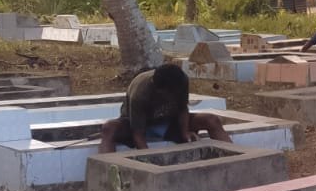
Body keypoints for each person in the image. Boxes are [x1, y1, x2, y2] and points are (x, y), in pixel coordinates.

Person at [98, 63, 232, 153]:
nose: (174, 95)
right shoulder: (140, 92)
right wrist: (149, 158)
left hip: (169, 122)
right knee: (109, 128)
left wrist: (185, 132)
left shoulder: (181, 80)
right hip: (137, 125)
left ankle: (234, 157)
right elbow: (138, 134)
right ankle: (106, 175)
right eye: (170, 94)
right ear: (160, 90)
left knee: (211, 120)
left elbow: (183, 108)